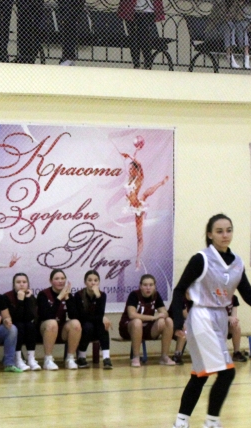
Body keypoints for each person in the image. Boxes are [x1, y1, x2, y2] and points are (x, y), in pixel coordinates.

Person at [169, 213, 251, 428]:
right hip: (201, 316)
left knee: (200, 375)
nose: (225, 235)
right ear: (210, 234)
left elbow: (248, 295)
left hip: (220, 318)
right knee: (227, 372)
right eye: (219, 231)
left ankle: (180, 427)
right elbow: (179, 289)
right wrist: (177, 321)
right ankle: (211, 427)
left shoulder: (237, 262)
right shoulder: (201, 259)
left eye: (229, 230)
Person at [119, 136, 170, 270]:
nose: (130, 170)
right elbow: (134, 162)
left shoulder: (139, 179)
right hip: (131, 205)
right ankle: (161, 183)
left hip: (138, 208)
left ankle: (138, 260)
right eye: (129, 168)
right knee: (144, 195)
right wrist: (133, 154)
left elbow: (139, 165)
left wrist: (130, 156)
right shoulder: (130, 180)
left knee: (139, 236)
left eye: (132, 169)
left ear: (136, 170)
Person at [120, 274, 176, 367]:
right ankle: (136, 357)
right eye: (145, 285)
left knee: (168, 321)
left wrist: (162, 315)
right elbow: (132, 314)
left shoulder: (156, 295)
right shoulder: (134, 295)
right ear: (140, 286)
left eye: (151, 285)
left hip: (147, 328)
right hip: (129, 327)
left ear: (155, 286)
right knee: (137, 322)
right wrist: (153, 318)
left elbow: (165, 313)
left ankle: (164, 356)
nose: (148, 288)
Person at [37, 269, 82, 370]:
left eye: (62, 278)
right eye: (57, 279)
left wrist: (67, 298)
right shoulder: (43, 294)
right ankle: (48, 360)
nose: (60, 281)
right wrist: (59, 297)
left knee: (76, 324)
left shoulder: (68, 295)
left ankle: (70, 359)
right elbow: (47, 316)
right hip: (45, 329)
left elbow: (74, 315)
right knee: (52, 323)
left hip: (60, 329)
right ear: (51, 281)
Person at [69, 270, 113, 369]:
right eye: (90, 280)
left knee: (103, 325)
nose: (93, 283)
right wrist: (101, 317)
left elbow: (100, 313)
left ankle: (106, 358)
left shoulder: (102, 295)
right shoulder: (78, 295)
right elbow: (81, 316)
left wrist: (98, 297)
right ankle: (81, 357)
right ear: (85, 282)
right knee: (88, 326)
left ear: (99, 282)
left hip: (97, 327)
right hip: (83, 327)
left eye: (95, 280)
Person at [4, 273, 38, 371]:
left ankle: (31, 359)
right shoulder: (7, 297)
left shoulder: (30, 297)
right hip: (11, 326)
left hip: (26, 326)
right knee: (19, 326)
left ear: (28, 284)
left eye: (24, 282)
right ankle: (18, 359)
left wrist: (28, 299)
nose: (22, 284)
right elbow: (16, 318)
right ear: (13, 284)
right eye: (18, 282)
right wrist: (20, 301)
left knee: (30, 325)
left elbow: (30, 317)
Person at [205, 0, 251, 69]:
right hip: (212, 31)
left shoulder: (235, 4)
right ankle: (229, 56)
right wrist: (231, 15)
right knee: (229, 25)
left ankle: (246, 58)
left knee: (240, 26)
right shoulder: (220, 3)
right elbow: (222, 18)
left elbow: (239, 18)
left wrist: (239, 6)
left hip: (227, 32)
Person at [227, 296, 249, 362]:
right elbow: (215, 316)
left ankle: (236, 353)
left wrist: (234, 321)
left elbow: (234, 316)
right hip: (216, 325)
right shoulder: (217, 297)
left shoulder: (234, 298)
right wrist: (229, 318)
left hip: (226, 325)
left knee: (236, 326)